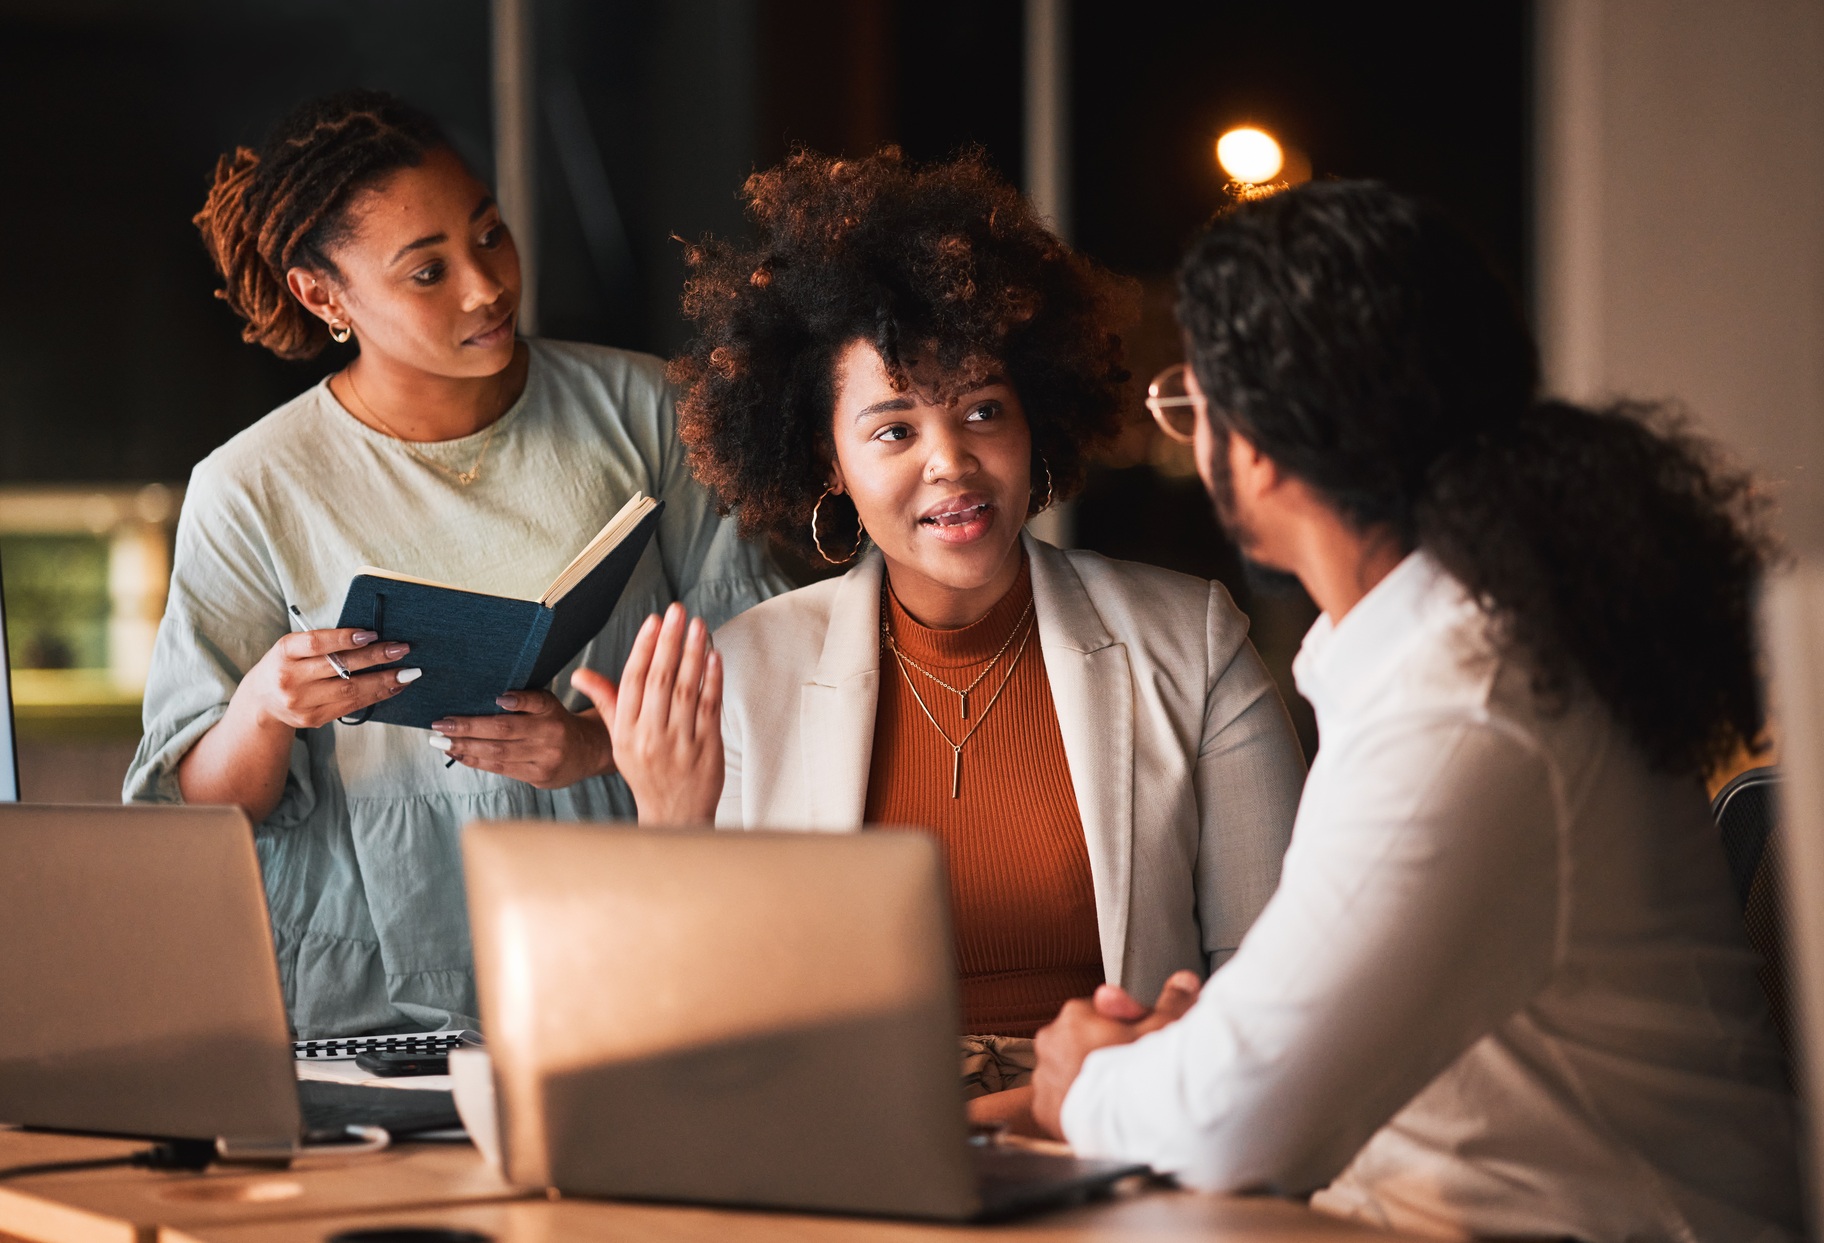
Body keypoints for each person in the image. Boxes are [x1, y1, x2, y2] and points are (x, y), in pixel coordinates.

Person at [1028, 181, 1803, 1241]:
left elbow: (1230, 1125)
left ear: (1252, 444)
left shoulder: (1465, 707)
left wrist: (1084, 1080)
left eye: (1190, 401)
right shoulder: (1464, 646)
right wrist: (1208, 1046)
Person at [572, 148, 1303, 1123]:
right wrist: (671, 826)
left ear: (1034, 422)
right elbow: (697, 1045)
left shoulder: (1192, 642)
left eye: (982, 412)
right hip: (847, 1166)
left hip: (1116, 1148)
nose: (951, 463)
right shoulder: (749, 670)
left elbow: (1271, 992)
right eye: (893, 430)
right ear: (826, 460)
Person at [125, 91, 786, 1037]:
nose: (486, 286)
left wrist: (594, 747)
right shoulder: (250, 486)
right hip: (360, 986)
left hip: (616, 935)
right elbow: (193, 812)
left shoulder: (652, 412)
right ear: (324, 295)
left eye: (491, 235)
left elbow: (766, 675)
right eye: (428, 271)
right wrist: (264, 705)